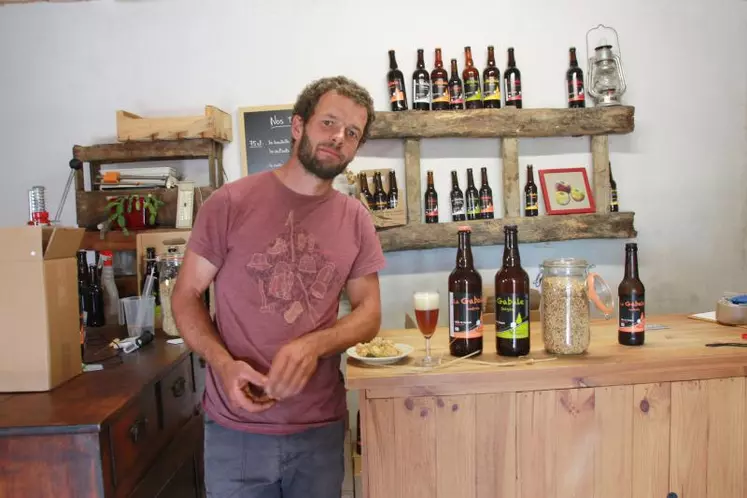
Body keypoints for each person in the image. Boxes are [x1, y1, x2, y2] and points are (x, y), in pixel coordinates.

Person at [171, 75, 386, 498]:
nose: (338, 137)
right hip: (236, 432)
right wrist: (223, 363)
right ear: (297, 126)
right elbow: (186, 295)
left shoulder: (355, 218)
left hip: (318, 432)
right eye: (329, 123)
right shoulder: (229, 204)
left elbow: (369, 311)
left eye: (352, 133)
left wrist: (312, 346)